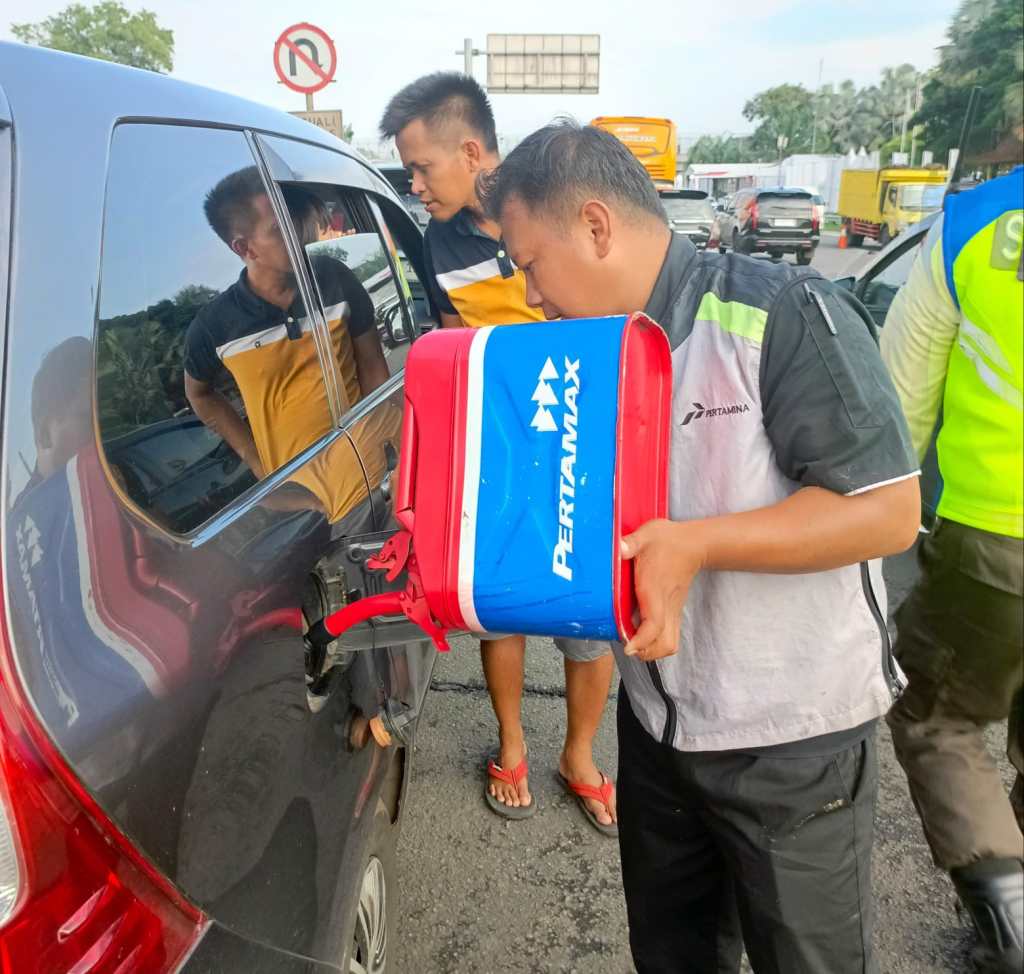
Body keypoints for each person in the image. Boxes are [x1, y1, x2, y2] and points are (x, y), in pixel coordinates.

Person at [481, 119, 921, 973]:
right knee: (674, 955)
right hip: (658, 729)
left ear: (597, 226)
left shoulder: (779, 313)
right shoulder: (586, 356)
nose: (529, 295)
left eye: (530, 264)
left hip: (790, 741)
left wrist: (695, 546)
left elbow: (886, 512)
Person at [379, 74, 618, 833]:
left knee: (588, 617)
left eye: (422, 168)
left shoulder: (559, 205)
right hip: (503, 454)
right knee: (501, 606)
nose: (414, 186)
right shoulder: (435, 241)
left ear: (474, 152)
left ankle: (578, 754)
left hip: (586, 443)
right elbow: (457, 348)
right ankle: (512, 742)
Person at [880, 167, 1023, 974]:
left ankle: (1010, 930)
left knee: (937, 715)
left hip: (995, 541)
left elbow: (900, 400)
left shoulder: (978, 222)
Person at [184, 168, 390, 522]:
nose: (296, 234)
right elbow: (199, 394)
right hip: (301, 508)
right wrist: (251, 455)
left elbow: (372, 364)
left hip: (371, 477)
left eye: (294, 220)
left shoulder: (333, 278)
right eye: (279, 230)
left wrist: (386, 442)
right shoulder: (215, 325)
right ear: (244, 248)